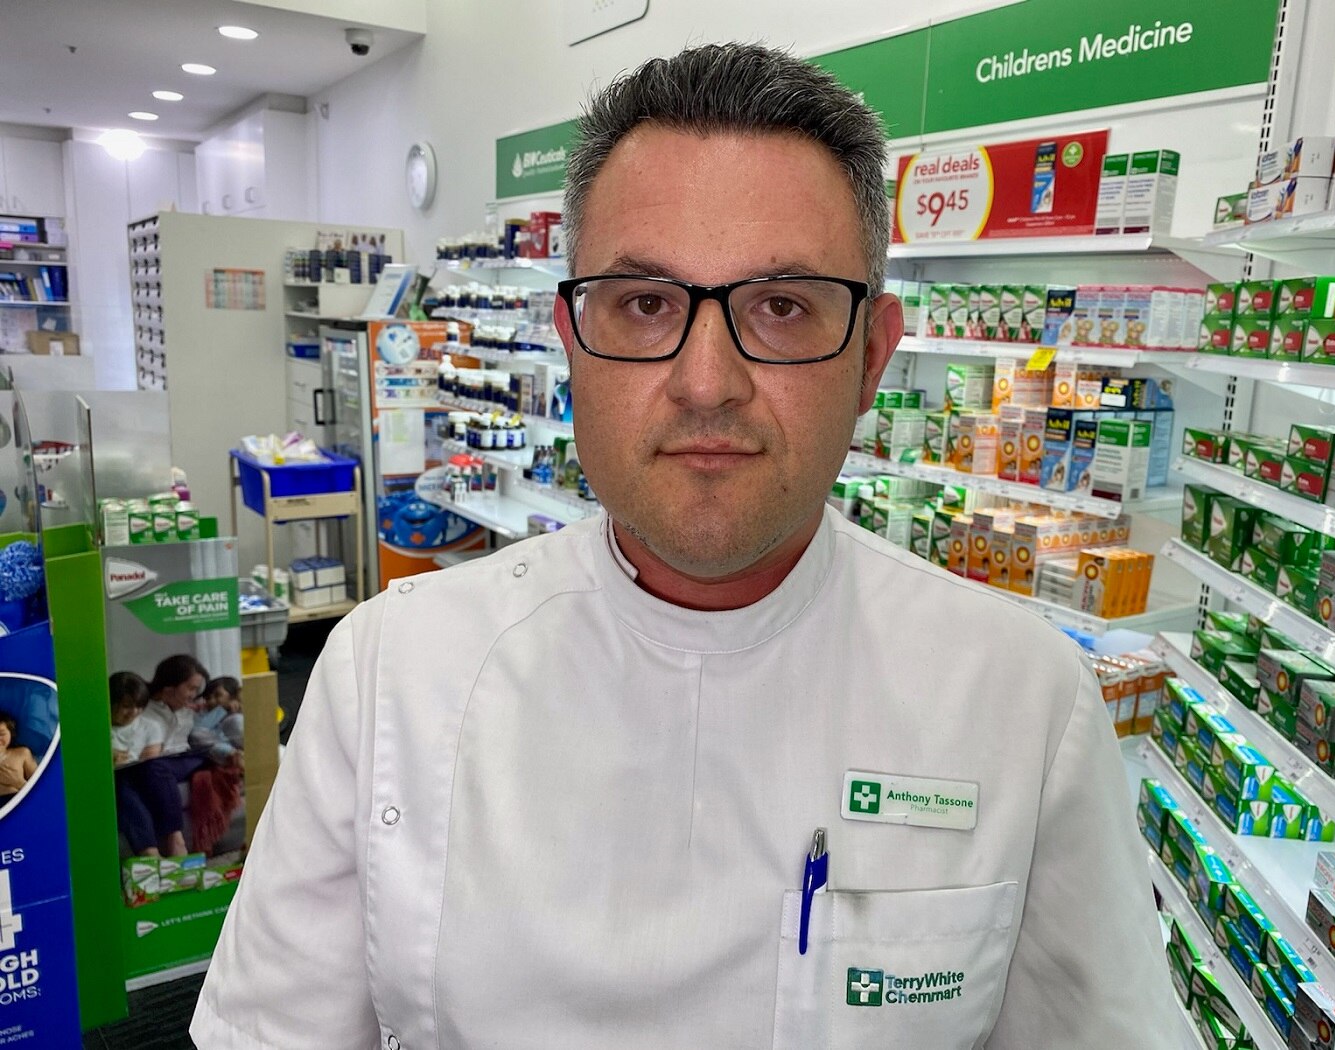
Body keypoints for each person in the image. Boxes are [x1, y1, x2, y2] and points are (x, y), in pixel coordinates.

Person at [194, 43, 1176, 1049]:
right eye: (647, 304)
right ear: (569, 344)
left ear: (872, 355)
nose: (707, 382)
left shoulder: (1019, 699)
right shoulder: (390, 674)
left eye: (781, 307)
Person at [118, 655, 239, 858]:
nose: (194, 695)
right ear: (169, 688)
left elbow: (204, 733)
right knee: (122, 782)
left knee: (154, 766)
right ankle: (149, 853)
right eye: (190, 688)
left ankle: (175, 840)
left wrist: (222, 714)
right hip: (152, 763)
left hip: (190, 757)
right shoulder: (142, 710)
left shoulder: (192, 711)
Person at [109, 670, 158, 768]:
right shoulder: (93, 727)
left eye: (139, 706)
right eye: (126, 706)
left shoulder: (150, 727)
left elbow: (148, 767)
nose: (134, 712)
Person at [0, 713, 36, 804]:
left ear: (11, 734)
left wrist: (18, 782)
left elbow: (41, 787)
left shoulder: (22, 753)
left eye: (2, 734)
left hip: (18, 801)